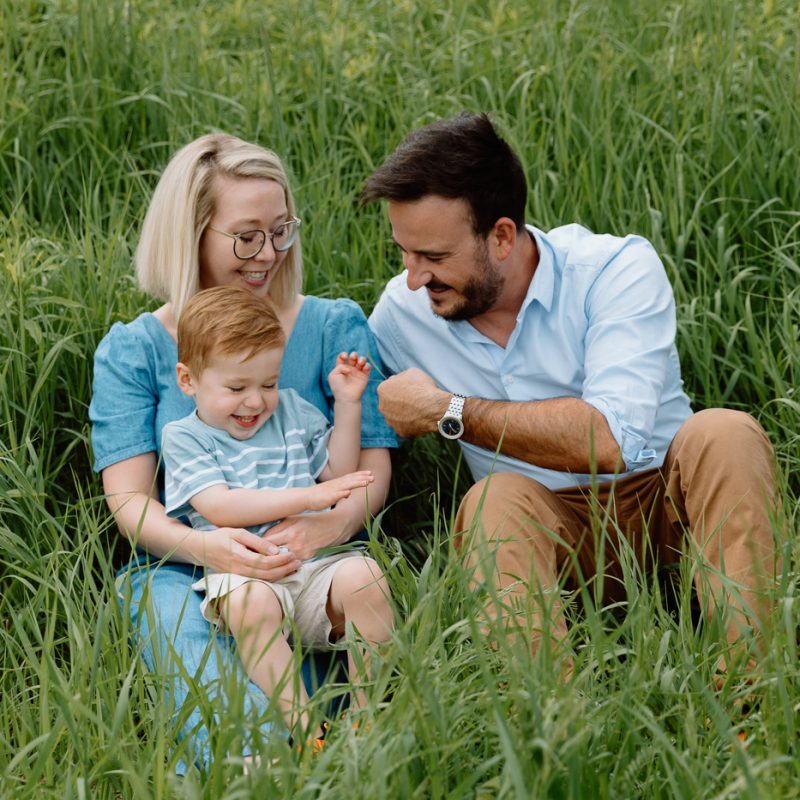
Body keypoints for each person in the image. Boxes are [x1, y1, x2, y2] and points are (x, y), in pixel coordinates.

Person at [364, 112, 778, 674]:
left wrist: (448, 411)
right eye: (404, 253)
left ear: (502, 236)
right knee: (491, 501)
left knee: (724, 432)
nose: (414, 278)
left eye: (433, 258)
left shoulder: (613, 270)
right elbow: (340, 412)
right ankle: (551, 728)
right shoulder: (402, 314)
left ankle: (752, 687)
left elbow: (609, 439)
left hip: (669, 508)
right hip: (548, 538)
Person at [89, 133, 396, 770]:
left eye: (282, 230)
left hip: (309, 552)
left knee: (332, 626)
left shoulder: (332, 324)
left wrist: (322, 528)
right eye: (247, 236)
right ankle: (254, 762)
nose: (269, 255)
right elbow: (129, 502)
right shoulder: (136, 350)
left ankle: (348, 748)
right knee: (193, 643)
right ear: (193, 234)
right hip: (186, 563)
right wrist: (212, 548)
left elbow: (369, 469)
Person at [161, 285, 393, 746]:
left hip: (311, 568)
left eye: (267, 383)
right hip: (245, 575)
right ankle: (307, 729)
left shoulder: (290, 410)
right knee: (250, 604)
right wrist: (305, 499)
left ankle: (370, 720)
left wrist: (347, 405)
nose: (255, 402)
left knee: (367, 575)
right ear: (188, 381)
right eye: (236, 387)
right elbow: (219, 507)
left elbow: (338, 471)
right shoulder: (185, 437)